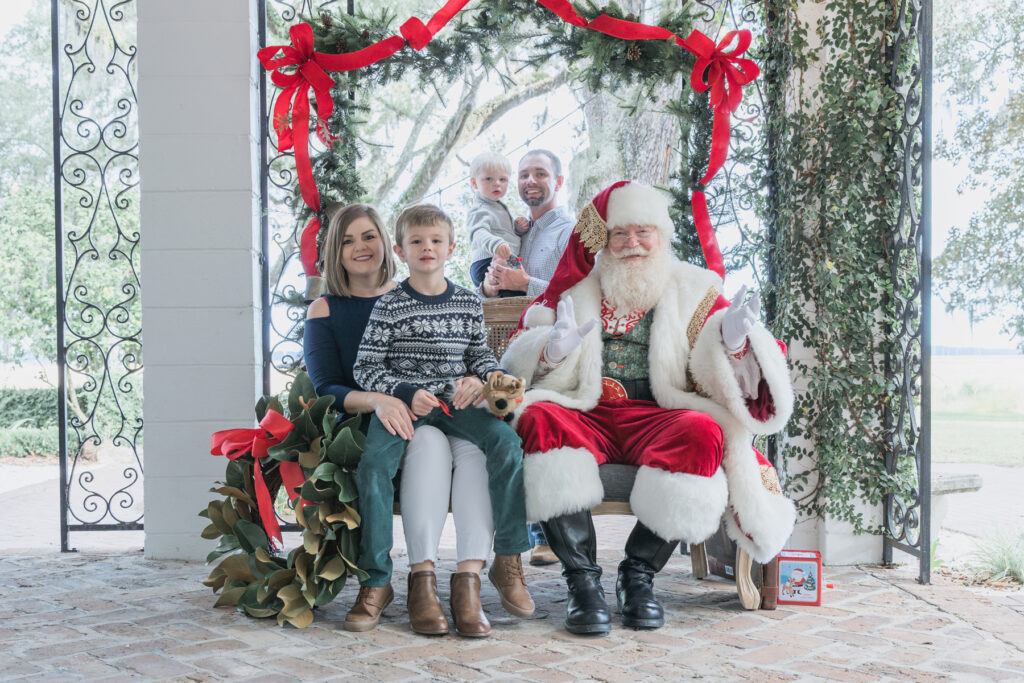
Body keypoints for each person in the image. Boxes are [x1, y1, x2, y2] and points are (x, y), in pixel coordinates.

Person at [500, 182, 796, 634]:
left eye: (643, 231)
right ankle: (582, 581)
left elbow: (719, 346)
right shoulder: (576, 288)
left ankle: (638, 577)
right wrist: (552, 351)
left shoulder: (691, 288)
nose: (631, 243)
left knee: (703, 432)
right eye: (619, 234)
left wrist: (733, 342)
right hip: (587, 408)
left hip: (656, 411)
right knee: (539, 417)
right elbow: (522, 353)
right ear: (604, 242)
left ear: (661, 235)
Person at [302, 204, 528, 637]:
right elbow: (364, 369)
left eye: (436, 241)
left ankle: (509, 559)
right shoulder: (388, 305)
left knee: (505, 444)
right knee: (372, 468)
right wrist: (401, 395)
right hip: (402, 410)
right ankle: (376, 581)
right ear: (403, 250)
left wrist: (483, 378)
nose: (428, 249)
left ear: (451, 248)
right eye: (347, 240)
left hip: (456, 408)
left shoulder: (465, 300)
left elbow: (479, 354)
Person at [480, 148, 572, 566]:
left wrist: (526, 281)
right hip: (512, 353)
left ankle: (550, 535)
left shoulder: (569, 231)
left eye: (540, 173)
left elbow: (575, 293)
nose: (529, 181)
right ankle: (508, 538)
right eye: (523, 175)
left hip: (553, 357)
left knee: (541, 429)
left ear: (559, 181)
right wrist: (493, 286)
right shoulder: (520, 231)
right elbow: (504, 284)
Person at [466, 151, 530, 297]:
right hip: (487, 261)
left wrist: (518, 229)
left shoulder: (497, 206)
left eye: (503, 179)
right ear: (475, 183)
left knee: (520, 291)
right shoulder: (480, 208)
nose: (497, 183)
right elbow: (477, 233)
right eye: (489, 179)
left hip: (503, 259)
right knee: (514, 293)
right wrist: (495, 244)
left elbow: (504, 232)